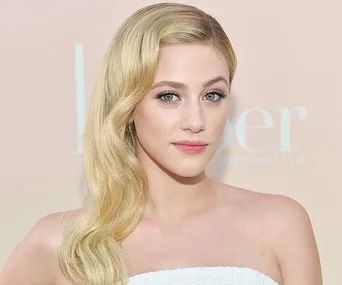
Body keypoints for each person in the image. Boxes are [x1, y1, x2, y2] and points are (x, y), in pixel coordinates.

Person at [0, 2, 322, 285]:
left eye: (213, 95)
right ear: (127, 107)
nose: (196, 121)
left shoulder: (282, 224)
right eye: (169, 96)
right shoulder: (62, 244)